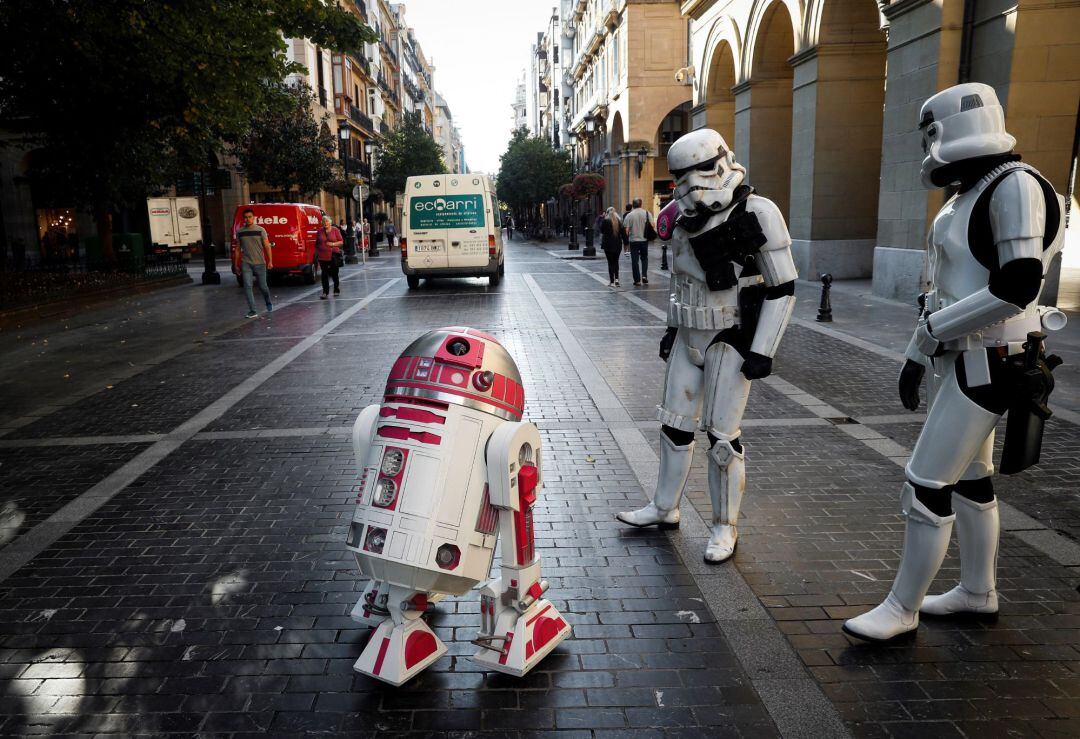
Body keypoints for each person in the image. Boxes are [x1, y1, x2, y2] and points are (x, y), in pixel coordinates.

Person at [843, 83, 1066, 643]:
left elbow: (1016, 285)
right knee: (971, 480)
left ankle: (903, 606)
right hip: (967, 359)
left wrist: (932, 334)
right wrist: (920, 352)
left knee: (925, 483)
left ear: (945, 132)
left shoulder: (1014, 185)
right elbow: (945, 285)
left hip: (991, 360)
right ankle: (977, 589)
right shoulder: (976, 189)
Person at [616, 128, 797, 564]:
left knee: (721, 437)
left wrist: (763, 349)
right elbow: (680, 282)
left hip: (729, 334)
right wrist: (671, 329)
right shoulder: (681, 218)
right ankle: (664, 505)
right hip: (687, 332)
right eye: (682, 177)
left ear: (721, 163)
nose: (690, 186)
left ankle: (724, 526)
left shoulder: (757, 211)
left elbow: (783, 285)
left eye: (698, 172)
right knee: (674, 427)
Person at [235, 208, 273, 318]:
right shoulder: (240, 232)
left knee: (263, 287)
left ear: (254, 217)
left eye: (250, 217)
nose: (248, 219)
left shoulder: (261, 230)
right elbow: (238, 249)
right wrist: (236, 264)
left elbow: (267, 246)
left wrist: (270, 261)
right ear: (244, 219)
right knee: (247, 286)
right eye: (246, 217)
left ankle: (268, 301)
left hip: (260, 263)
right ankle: (253, 310)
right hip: (246, 263)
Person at [622, 198, 655, 287]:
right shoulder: (647, 213)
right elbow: (653, 225)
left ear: (633, 205)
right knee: (644, 258)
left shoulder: (630, 215)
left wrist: (628, 237)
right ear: (641, 204)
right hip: (644, 240)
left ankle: (637, 280)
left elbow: (626, 229)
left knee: (635, 261)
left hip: (634, 241)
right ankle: (644, 276)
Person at [315, 214, 344, 299]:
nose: (325, 223)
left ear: (330, 222)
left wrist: (333, 244)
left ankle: (336, 289)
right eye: (324, 222)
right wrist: (317, 252)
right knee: (324, 274)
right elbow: (317, 243)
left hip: (333, 255)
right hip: (322, 256)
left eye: (327, 221)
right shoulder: (319, 231)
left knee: (335, 273)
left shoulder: (335, 230)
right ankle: (325, 292)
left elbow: (341, 241)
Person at [599, 207, 623, 287]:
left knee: (610, 263)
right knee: (616, 262)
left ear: (607, 213)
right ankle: (617, 280)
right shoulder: (619, 221)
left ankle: (612, 282)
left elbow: (601, 230)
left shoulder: (605, 221)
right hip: (617, 245)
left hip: (608, 245)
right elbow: (622, 233)